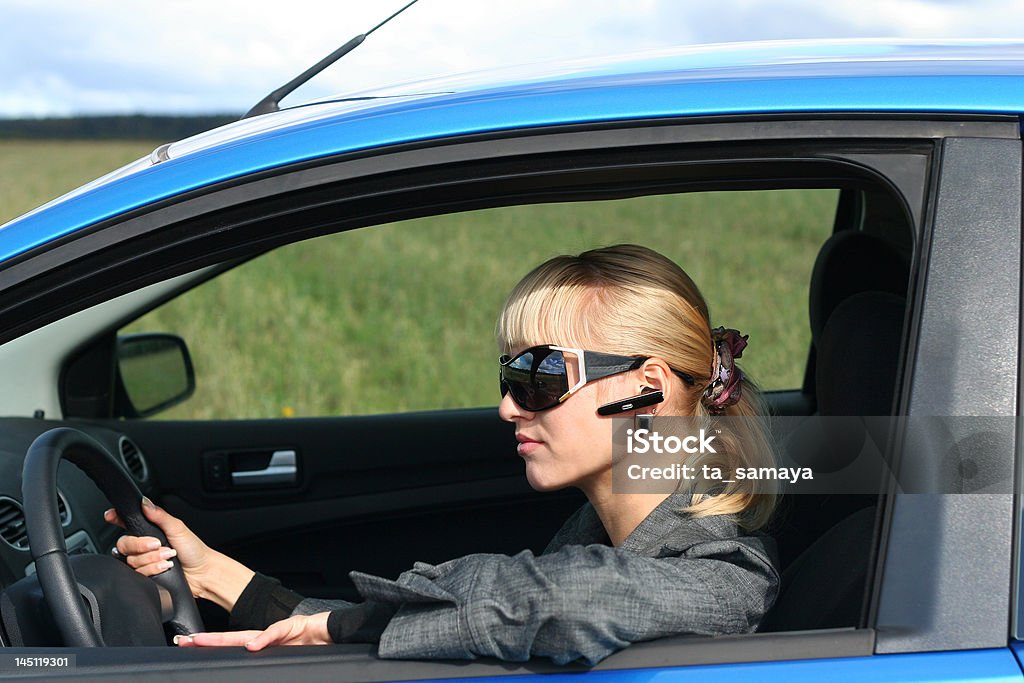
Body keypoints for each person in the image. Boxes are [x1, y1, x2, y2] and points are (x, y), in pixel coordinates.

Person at [106, 244, 779, 665]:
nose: (509, 407)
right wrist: (215, 577)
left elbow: (563, 599)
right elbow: (476, 620)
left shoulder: (723, 572)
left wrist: (336, 624)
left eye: (537, 377)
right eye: (507, 377)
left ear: (648, 387)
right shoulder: (597, 532)